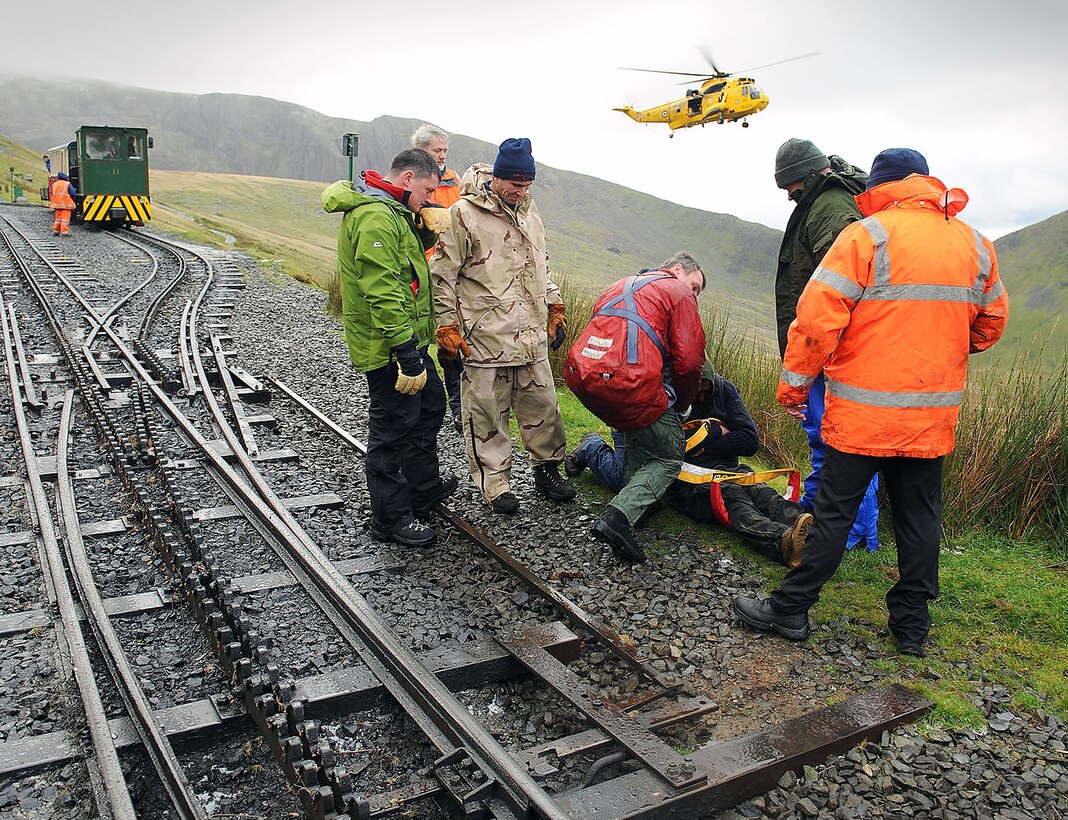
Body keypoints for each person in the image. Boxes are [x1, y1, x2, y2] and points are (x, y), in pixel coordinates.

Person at [734, 148, 1009, 658]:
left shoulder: (865, 236)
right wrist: (947, 341)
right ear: (927, 183)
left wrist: (794, 386)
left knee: (834, 513)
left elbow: (815, 323)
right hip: (929, 417)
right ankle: (910, 629)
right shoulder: (975, 244)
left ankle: (791, 609)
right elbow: (991, 323)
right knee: (919, 517)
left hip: (862, 416)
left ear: (879, 187)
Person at [430, 138, 576, 515]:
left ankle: (547, 470)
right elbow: (442, 276)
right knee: (486, 415)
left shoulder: (530, 210)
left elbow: (540, 263)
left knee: (543, 407)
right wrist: (447, 330)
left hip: (529, 335)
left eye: (527, 184)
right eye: (514, 183)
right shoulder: (463, 214)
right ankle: (494, 485)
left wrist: (555, 304)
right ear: (497, 176)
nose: (520, 190)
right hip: (484, 337)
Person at [321, 148, 457, 548]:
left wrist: (428, 230)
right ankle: (390, 517)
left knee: (430, 404)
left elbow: (407, 268)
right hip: (387, 347)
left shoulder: (394, 211)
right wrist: (406, 353)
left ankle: (422, 488)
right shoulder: (376, 216)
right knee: (393, 427)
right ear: (408, 177)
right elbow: (382, 290)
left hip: (404, 340)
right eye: (428, 191)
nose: (430, 199)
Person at [565, 363, 813, 568]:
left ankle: (806, 527)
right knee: (733, 497)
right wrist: (719, 431)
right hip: (684, 480)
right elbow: (663, 446)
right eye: (697, 393)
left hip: (726, 468)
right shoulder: (665, 396)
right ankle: (780, 540)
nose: (702, 397)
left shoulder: (725, 390)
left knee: (757, 487)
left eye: (707, 391)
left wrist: (709, 443)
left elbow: (749, 440)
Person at [564, 253, 707, 563]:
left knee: (632, 480)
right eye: (696, 286)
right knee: (668, 458)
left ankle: (592, 449)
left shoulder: (620, 284)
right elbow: (690, 361)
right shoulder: (678, 293)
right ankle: (616, 519)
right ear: (678, 269)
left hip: (587, 380)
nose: (695, 295)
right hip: (634, 386)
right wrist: (682, 405)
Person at [773, 137, 879, 550]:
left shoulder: (830, 209)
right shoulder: (822, 203)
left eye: (790, 185)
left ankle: (851, 533)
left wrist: (818, 351)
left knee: (837, 441)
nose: (787, 194)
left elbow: (843, 289)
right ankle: (819, 514)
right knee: (824, 435)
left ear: (809, 174)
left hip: (831, 348)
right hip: (826, 344)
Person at [411, 124, 465, 432]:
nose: (442, 156)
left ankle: (458, 407)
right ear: (421, 151)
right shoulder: (412, 181)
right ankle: (424, 403)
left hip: (452, 270)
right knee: (428, 338)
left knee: (452, 337)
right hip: (422, 271)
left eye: (445, 150)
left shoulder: (453, 179)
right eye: (437, 150)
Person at [49, 172, 77, 236]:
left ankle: (56, 231)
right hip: (65, 205)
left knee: (57, 219)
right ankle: (64, 232)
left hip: (56, 205)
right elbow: (72, 193)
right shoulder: (67, 184)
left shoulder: (55, 184)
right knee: (65, 220)